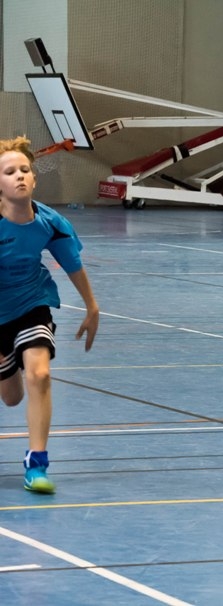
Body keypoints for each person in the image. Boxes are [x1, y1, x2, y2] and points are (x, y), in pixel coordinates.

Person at [0, 136, 100, 493]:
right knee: (11, 397)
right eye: (9, 172)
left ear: (34, 178)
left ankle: (37, 464)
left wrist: (91, 306)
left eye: (24, 170)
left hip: (33, 302)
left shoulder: (50, 222)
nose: (19, 176)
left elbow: (72, 264)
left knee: (40, 375)